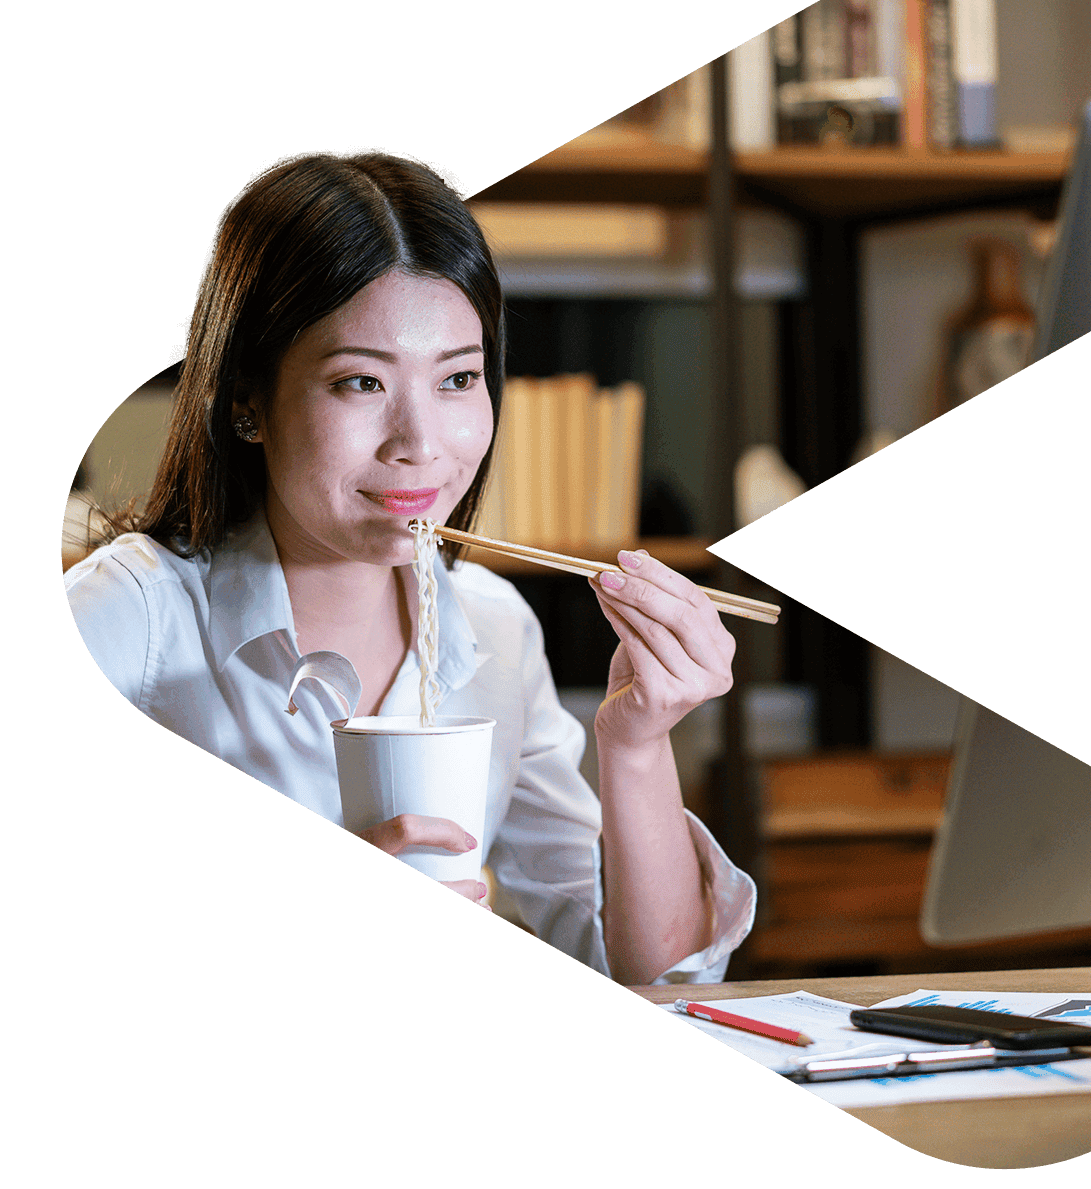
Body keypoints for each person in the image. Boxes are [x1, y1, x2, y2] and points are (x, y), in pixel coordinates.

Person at [65, 150, 755, 986]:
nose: (421, 444)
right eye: (360, 382)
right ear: (247, 398)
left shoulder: (495, 627)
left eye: (459, 378)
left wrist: (638, 742)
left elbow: (654, 978)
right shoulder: (126, 617)